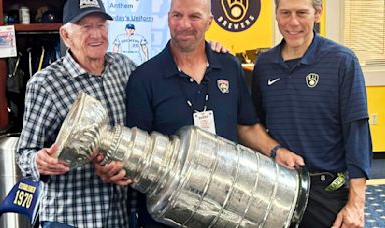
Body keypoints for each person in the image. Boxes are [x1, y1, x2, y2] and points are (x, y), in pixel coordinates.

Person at [124, 0, 305, 227]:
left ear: (210, 21)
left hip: (226, 209)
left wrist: (276, 151)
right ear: (168, 17)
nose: (184, 24)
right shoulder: (144, 78)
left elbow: (246, 126)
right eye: (177, 15)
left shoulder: (229, 67)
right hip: (168, 215)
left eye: (194, 17)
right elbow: (139, 150)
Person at [251, 0, 372, 227]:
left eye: (301, 13)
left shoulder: (342, 61)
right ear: (276, 15)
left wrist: (357, 203)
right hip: (277, 188)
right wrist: (276, 150)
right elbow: (254, 125)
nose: (292, 22)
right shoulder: (264, 65)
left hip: (327, 191)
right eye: (285, 13)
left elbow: (357, 133)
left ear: (317, 13)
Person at [16, 0, 135, 227]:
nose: (96, 35)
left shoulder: (124, 68)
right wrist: (38, 161)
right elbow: (24, 153)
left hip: (120, 215)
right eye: (85, 27)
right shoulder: (45, 84)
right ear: (66, 35)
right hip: (71, 218)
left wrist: (210, 53)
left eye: (100, 25)